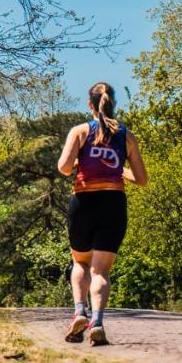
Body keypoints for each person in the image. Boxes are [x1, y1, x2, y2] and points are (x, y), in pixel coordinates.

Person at [56, 81, 147, 346]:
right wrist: (118, 171)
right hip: (113, 203)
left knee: (81, 263)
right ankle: (97, 321)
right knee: (101, 272)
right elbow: (141, 179)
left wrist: (77, 162)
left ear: (90, 105)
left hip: (83, 201)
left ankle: (79, 312)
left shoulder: (81, 131)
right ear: (113, 104)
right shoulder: (127, 136)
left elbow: (63, 167)